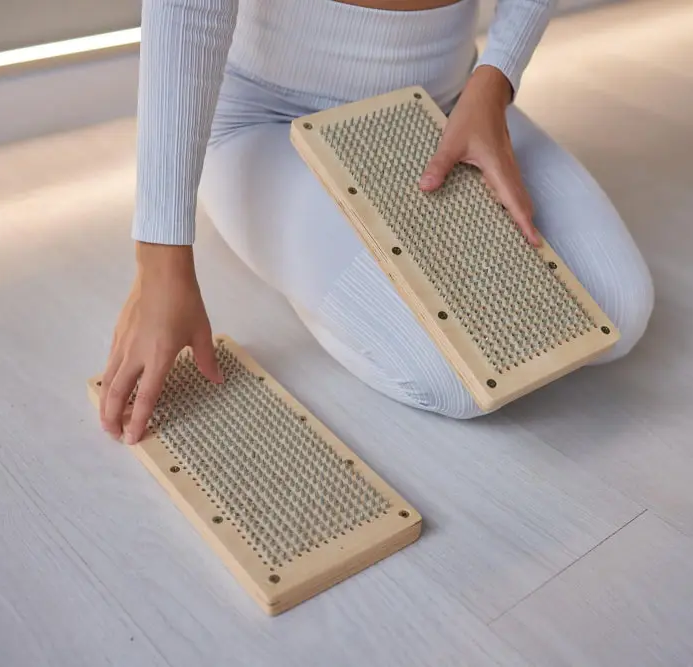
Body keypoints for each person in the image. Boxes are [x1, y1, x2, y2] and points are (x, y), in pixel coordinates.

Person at [99, 0, 654, 444]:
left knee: (620, 315)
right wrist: (161, 263)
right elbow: (186, 13)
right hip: (273, 119)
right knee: (454, 384)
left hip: (447, 103)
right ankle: (301, 232)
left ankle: (331, 240)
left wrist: (494, 80)